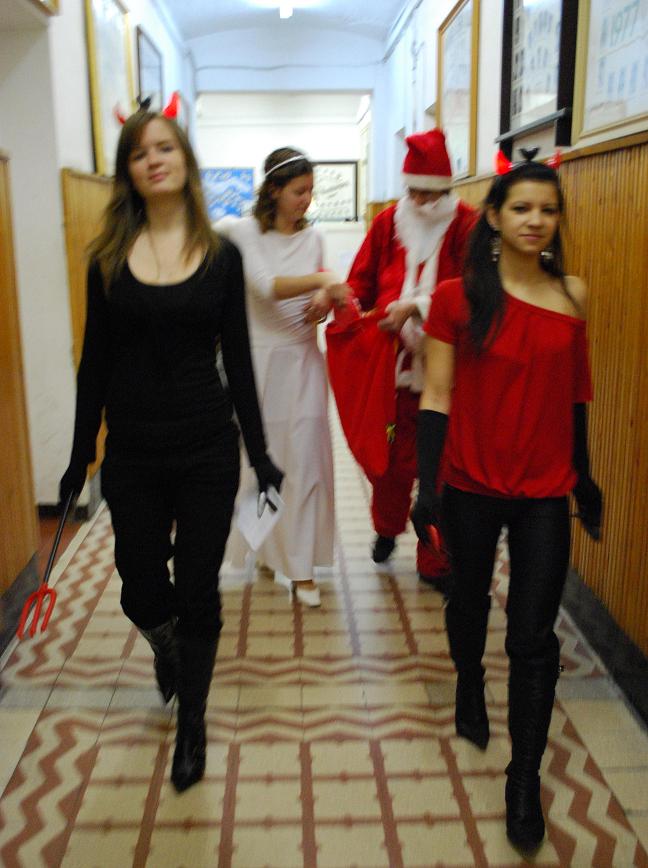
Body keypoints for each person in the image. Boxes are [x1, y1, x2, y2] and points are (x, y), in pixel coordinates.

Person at [58, 97, 283, 793]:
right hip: (132, 449)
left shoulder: (220, 256)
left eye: (165, 148)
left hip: (206, 444)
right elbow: (95, 361)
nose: (153, 160)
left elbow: (238, 360)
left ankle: (193, 723)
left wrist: (261, 453)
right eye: (139, 152)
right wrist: (79, 454)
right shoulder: (106, 258)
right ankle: (166, 646)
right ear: (128, 169)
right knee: (140, 584)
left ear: (185, 160)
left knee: (199, 587)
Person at [411, 152, 603, 853]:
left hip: (545, 492)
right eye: (521, 208)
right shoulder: (456, 298)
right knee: (467, 601)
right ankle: (469, 680)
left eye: (547, 210)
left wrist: (584, 477)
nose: (535, 220)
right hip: (470, 483)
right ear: (493, 217)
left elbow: (575, 395)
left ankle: (523, 780)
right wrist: (427, 486)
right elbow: (437, 393)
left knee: (532, 638)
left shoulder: (572, 295)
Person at [341, 129, 476, 592]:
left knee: (441, 469)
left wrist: (417, 307)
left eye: (428, 192)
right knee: (390, 462)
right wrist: (351, 308)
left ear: (445, 189)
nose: (418, 200)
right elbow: (361, 281)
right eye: (412, 190)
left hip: (448, 370)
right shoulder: (387, 223)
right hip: (392, 370)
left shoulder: (467, 225)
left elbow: (474, 290)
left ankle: (434, 558)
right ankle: (386, 527)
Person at [217, 147, 345, 608]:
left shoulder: (314, 238)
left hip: (304, 360)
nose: (306, 200)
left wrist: (325, 300)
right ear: (273, 190)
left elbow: (323, 294)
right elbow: (266, 286)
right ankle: (270, 552)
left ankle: (302, 568)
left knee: (307, 462)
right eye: (298, 191)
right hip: (259, 365)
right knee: (264, 463)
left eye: (310, 191)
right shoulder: (244, 232)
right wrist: (324, 280)